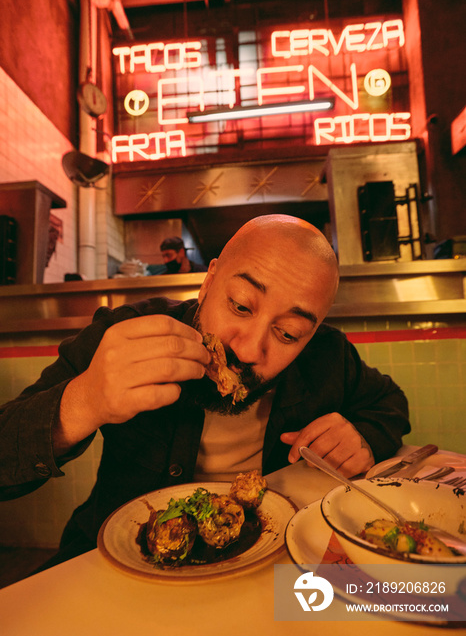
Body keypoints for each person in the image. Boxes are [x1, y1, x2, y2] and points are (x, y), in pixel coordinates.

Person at [0, 215, 410, 565]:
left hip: (269, 564)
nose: (248, 349)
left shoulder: (327, 357)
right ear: (209, 281)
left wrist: (364, 437)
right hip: (113, 562)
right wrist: (83, 401)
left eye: (288, 333)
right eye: (241, 306)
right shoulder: (126, 334)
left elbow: (389, 403)